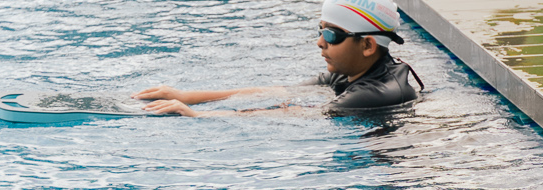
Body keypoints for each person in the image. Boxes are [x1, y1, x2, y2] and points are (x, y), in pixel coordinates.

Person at [135, 0, 424, 117]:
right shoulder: (351, 71)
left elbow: (293, 114)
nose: (320, 41)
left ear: (368, 46)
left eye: (333, 35)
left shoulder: (374, 94)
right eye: (320, 30)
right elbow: (279, 93)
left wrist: (200, 115)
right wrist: (187, 96)